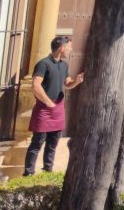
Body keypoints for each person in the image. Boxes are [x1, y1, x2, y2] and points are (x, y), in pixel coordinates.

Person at [26, 35, 83, 176]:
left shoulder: (64, 65)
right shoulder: (43, 64)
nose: (71, 49)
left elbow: (66, 84)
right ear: (61, 48)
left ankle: (47, 171)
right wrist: (48, 102)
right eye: (69, 46)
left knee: (53, 142)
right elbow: (35, 85)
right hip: (44, 109)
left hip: (58, 108)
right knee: (37, 142)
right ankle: (28, 173)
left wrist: (76, 81)